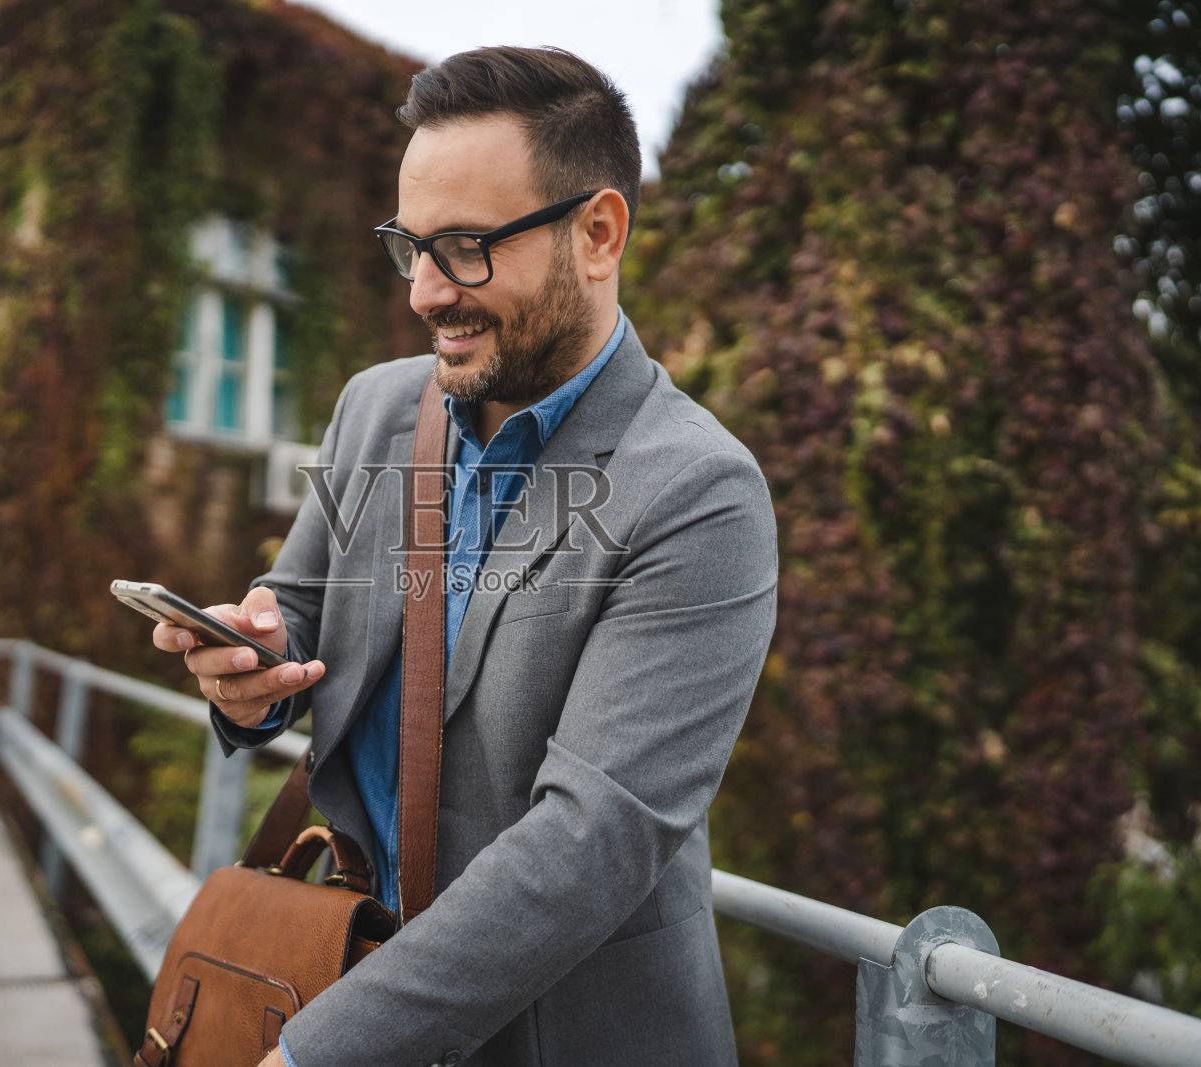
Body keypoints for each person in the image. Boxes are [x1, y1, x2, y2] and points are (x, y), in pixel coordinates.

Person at [152, 45, 778, 1067]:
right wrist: (250, 671)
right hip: (346, 963)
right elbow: (297, 609)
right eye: (411, 247)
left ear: (598, 233)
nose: (425, 293)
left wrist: (313, 1054)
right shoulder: (374, 406)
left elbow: (588, 845)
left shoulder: (701, 492)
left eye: (466, 248)